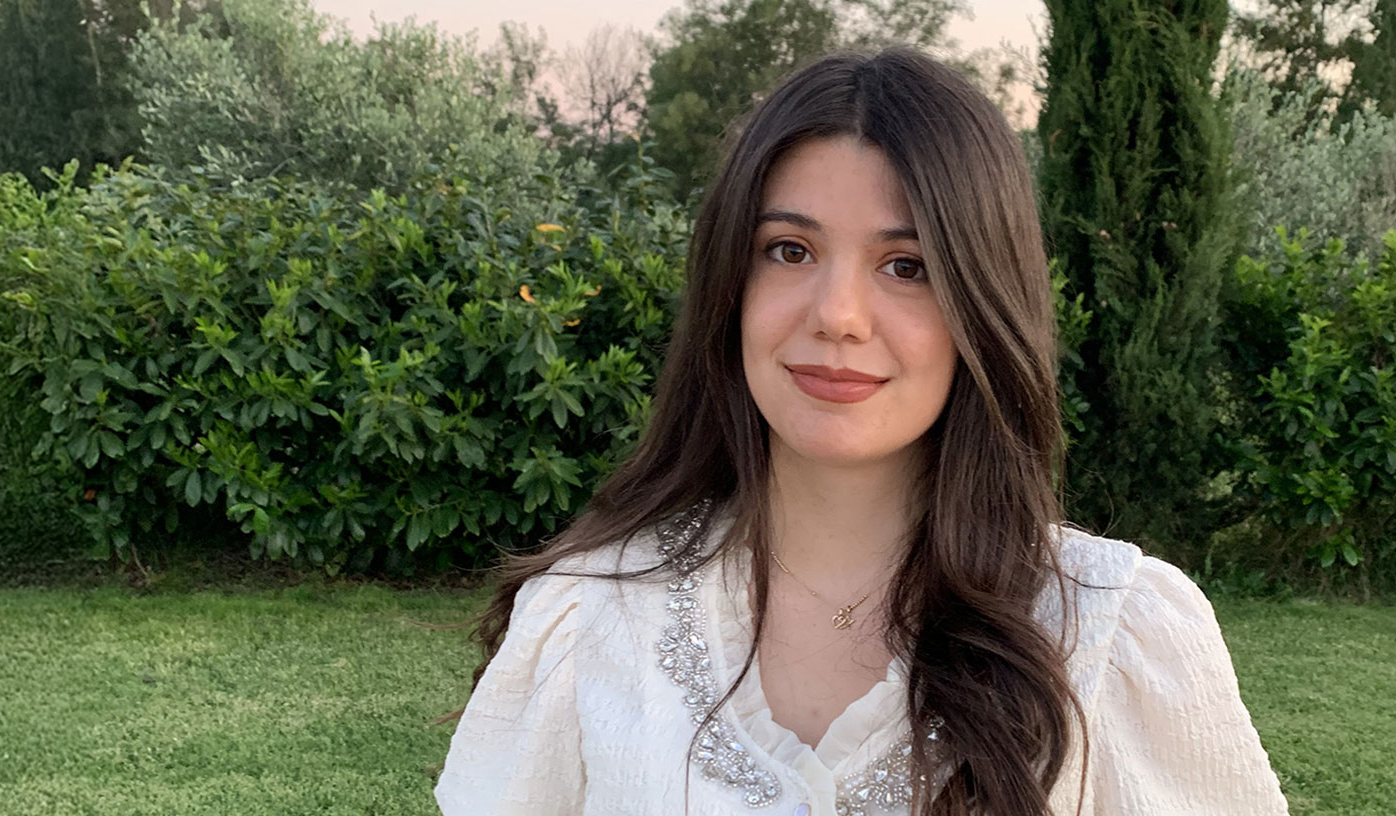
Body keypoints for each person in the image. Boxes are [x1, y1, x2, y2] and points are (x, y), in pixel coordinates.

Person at [433, 46, 1289, 816]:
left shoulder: (1110, 634)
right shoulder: (591, 613)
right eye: (790, 250)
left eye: (906, 266)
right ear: (730, 284)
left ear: (982, 305)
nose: (838, 314)